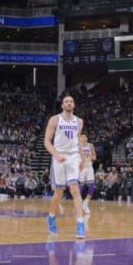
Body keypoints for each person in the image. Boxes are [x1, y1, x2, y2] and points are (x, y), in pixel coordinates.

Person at [44, 95, 86, 238]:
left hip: (73, 156)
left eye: (71, 101)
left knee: (74, 188)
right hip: (59, 156)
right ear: (62, 105)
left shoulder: (79, 121)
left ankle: (80, 224)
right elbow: (46, 142)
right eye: (66, 101)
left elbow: (78, 141)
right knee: (59, 192)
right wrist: (56, 155)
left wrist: (83, 158)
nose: (69, 103)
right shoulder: (55, 119)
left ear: (74, 105)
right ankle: (51, 217)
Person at [78, 133, 97, 215]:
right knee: (81, 187)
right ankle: (78, 204)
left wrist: (90, 156)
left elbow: (95, 158)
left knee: (92, 186)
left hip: (89, 167)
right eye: (82, 137)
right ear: (80, 138)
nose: (84, 138)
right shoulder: (77, 146)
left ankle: (85, 203)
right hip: (81, 167)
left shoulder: (90, 145)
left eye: (85, 136)